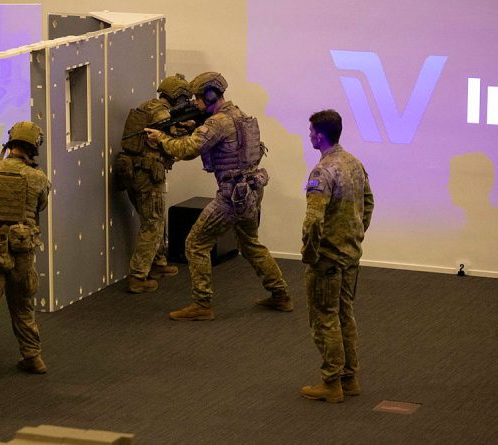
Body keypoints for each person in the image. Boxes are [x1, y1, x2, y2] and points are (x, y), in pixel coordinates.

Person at [145, 72, 291, 320]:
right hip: (251, 190)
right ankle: (281, 294)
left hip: (231, 195)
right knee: (250, 244)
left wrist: (162, 139)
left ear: (210, 95)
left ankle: (202, 304)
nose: (196, 103)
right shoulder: (240, 116)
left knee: (195, 244)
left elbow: (188, 149)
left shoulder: (217, 123)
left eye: (199, 98)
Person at [0, 121, 51, 396]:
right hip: (22, 250)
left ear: (10, 143)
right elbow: (41, 206)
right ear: (33, 147)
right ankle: (33, 356)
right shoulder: (38, 178)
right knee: (23, 304)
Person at [299, 109, 374, 403]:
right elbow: (368, 203)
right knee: (345, 315)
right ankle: (350, 377)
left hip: (327, 259)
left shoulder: (323, 171)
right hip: (350, 255)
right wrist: (356, 234)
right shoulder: (354, 164)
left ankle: (331, 382)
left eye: (311, 130)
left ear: (319, 134)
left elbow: (313, 221)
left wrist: (310, 253)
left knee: (324, 318)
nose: (309, 135)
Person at [116, 74, 192, 293]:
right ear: (177, 96)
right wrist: (189, 129)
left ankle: (158, 263)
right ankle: (138, 276)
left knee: (152, 218)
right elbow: (173, 142)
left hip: (132, 171)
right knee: (153, 223)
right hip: (148, 174)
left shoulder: (148, 106)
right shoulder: (162, 113)